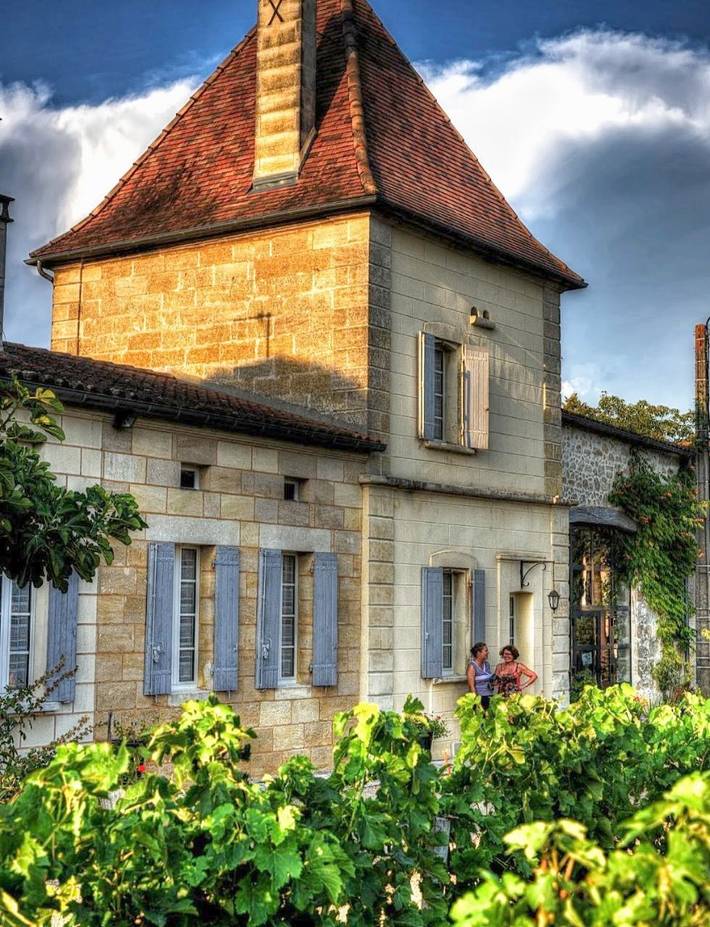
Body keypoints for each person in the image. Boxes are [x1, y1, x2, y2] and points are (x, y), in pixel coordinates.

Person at [467, 642, 495, 710]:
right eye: (486, 651)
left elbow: (489, 680)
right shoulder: (472, 666)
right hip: (479, 697)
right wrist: (477, 702)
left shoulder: (487, 664)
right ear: (478, 653)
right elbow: (471, 686)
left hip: (489, 696)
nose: (488, 652)